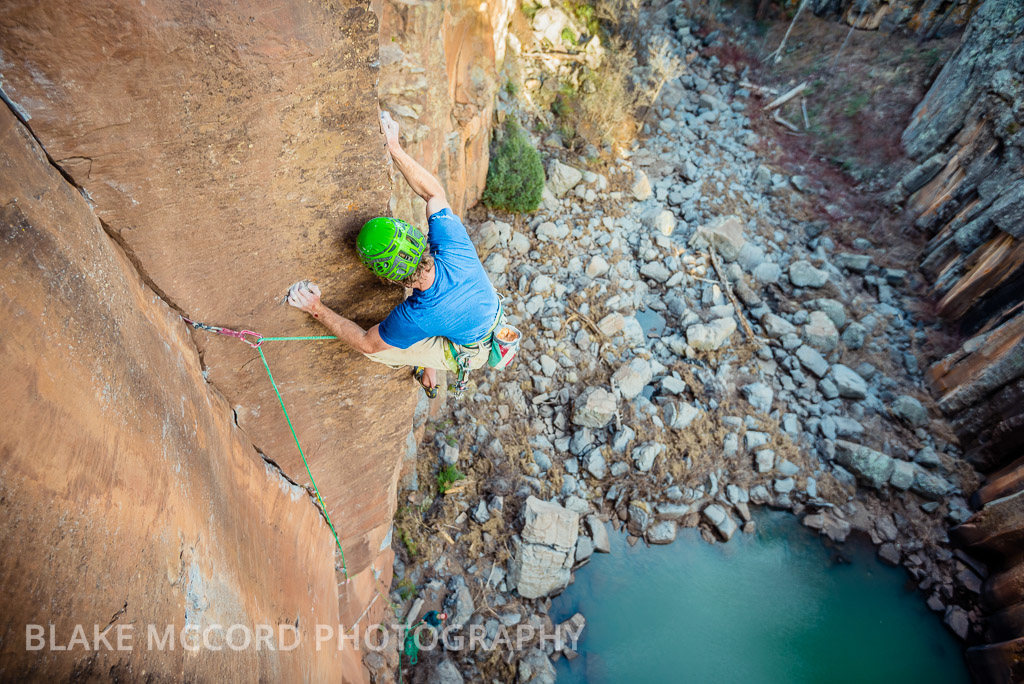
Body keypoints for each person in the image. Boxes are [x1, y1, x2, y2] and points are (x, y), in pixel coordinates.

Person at [287, 111, 501, 397]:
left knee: (383, 352)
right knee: (435, 317)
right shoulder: (451, 243)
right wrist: (394, 147)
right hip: (486, 315)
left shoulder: (417, 315)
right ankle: (431, 360)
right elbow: (434, 195)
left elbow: (367, 343)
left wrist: (315, 307)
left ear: (392, 280)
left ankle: (430, 361)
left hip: (474, 350)